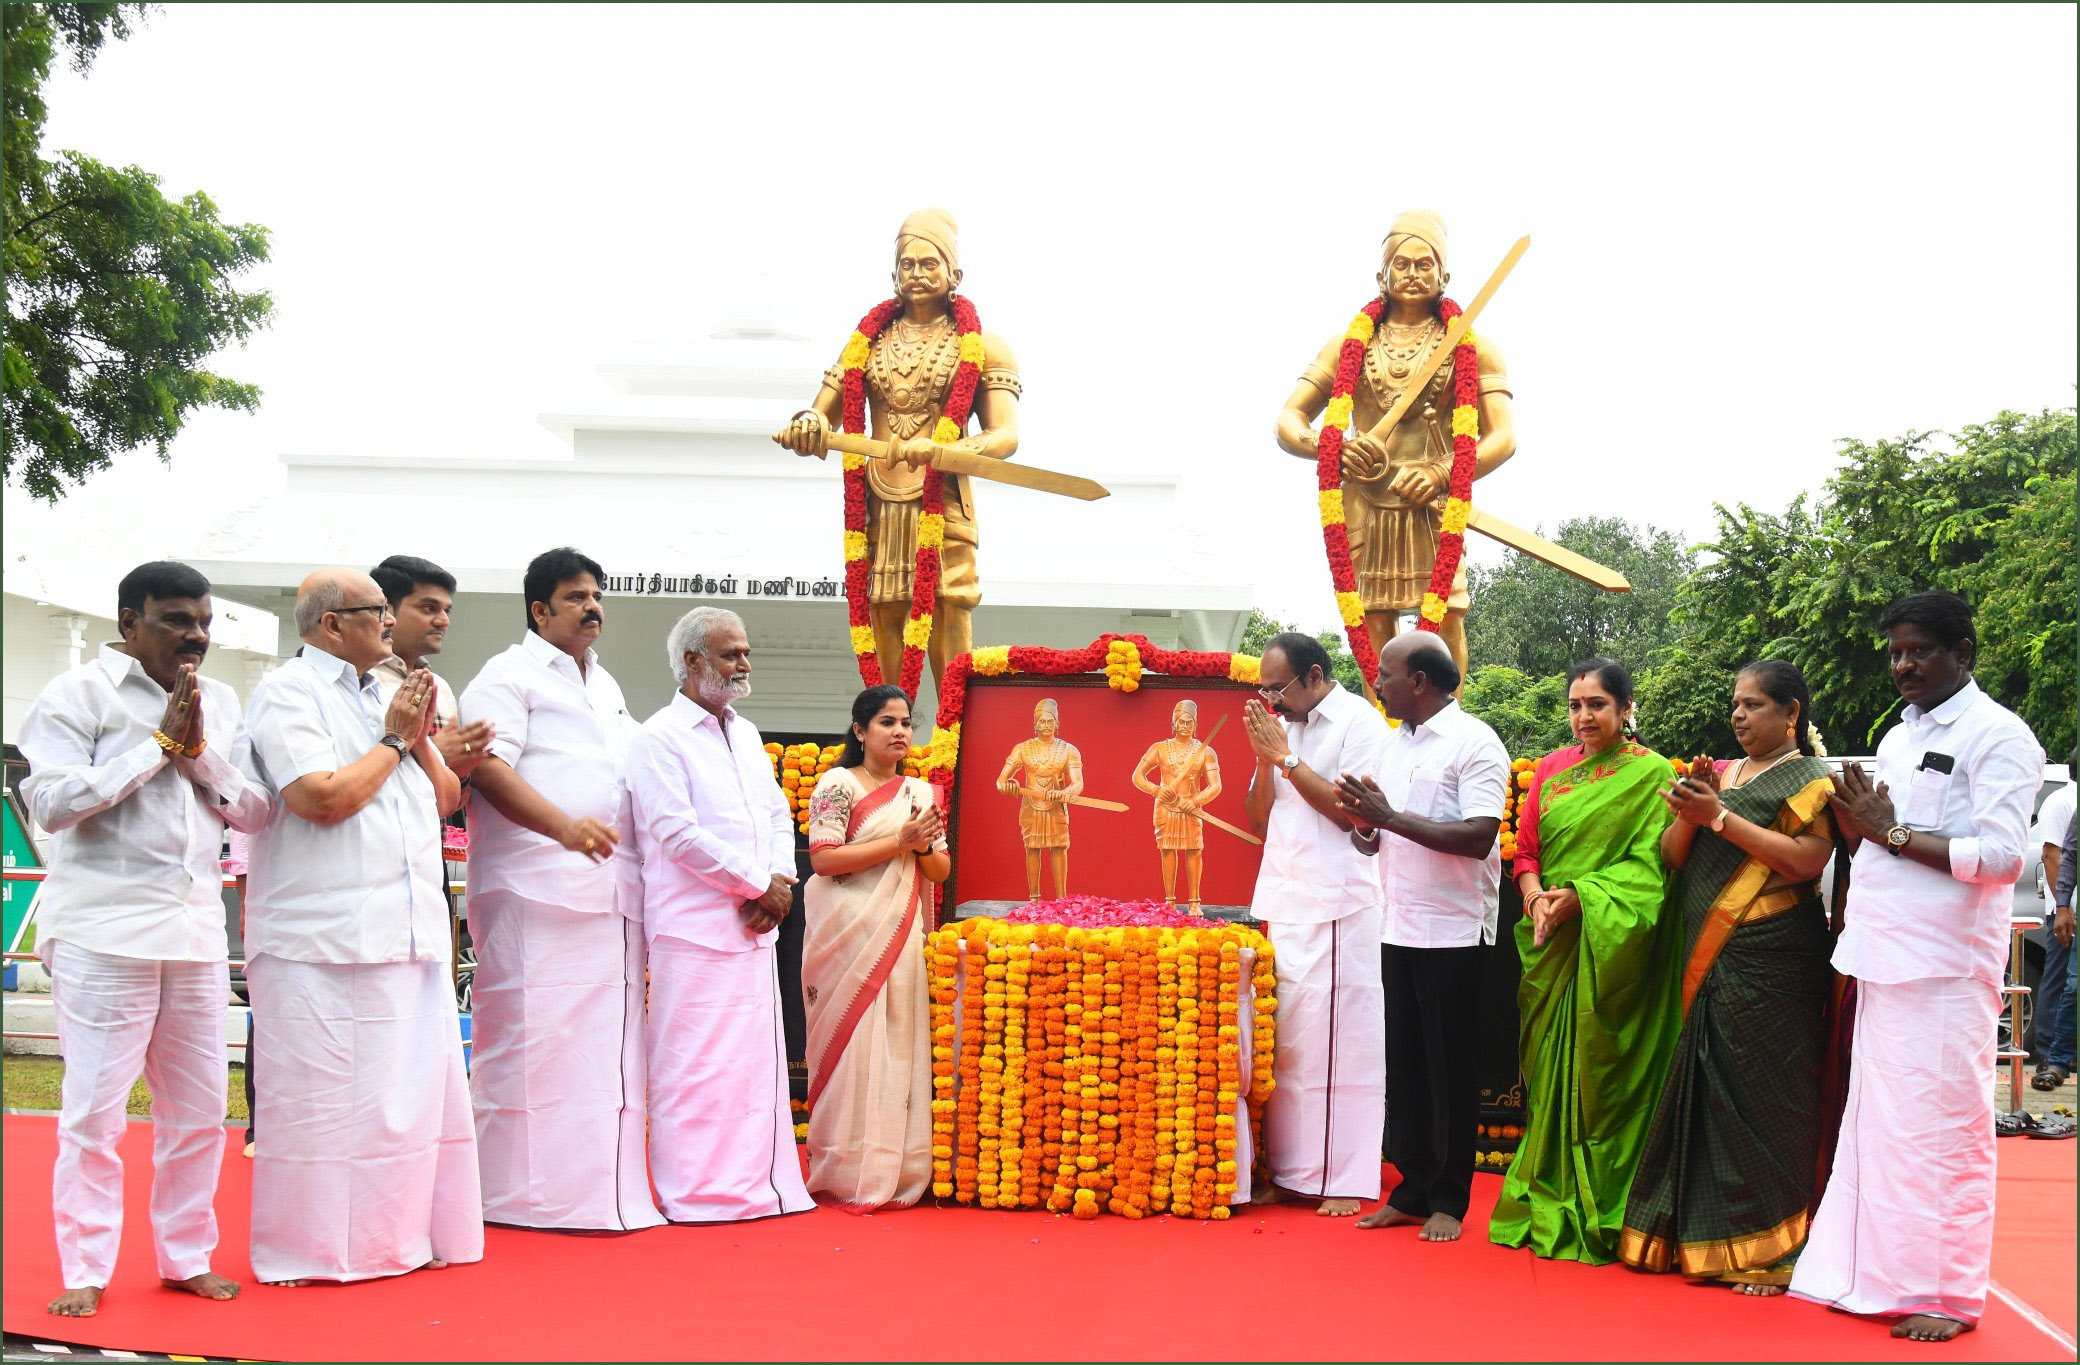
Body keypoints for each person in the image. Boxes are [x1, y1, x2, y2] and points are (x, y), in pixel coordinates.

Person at [1790, 591, 2044, 1342]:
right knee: (1882, 1129)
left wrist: (1890, 830)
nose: (1902, 665)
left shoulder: (2000, 735)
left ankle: (1948, 1289)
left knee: (1945, 1130)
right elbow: (1881, 839)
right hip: (1883, 954)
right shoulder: (1897, 738)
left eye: (1918, 651)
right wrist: (1859, 824)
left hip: (1943, 965)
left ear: (1962, 652)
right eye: (1895, 652)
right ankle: (1875, 1275)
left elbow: (2002, 857)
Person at [21, 561, 273, 1317]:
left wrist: (197, 754)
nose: (195, 635)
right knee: (95, 1113)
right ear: (130, 621)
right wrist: (155, 746)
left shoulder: (223, 700)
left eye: (203, 620)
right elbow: (53, 804)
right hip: (104, 929)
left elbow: (255, 810)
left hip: (194, 932)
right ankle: (86, 1266)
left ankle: (185, 1255)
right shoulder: (76, 694)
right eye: (175, 619)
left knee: (198, 1112)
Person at [235, 568, 481, 1284]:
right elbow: (318, 796)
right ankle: (314, 1253)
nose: (389, 624)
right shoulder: (288, 691)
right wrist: (396, 742)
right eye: (377, 611)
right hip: (324, 935)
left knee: (404, 1105)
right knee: (322, 1107)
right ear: (331, 623)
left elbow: (445, 799)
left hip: (407, 930)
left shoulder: (388, 693)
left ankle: (396, 1240)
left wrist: (417, 735)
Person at [458, 547, 662, 1233]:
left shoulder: (606, 686)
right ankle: (509, 1197)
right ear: (539, 609)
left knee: (597, 1055)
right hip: (532, 888)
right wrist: (562, 828)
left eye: (596, 593)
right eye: (576, 596)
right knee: (528, 1044)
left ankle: (586, 1196)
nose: (592, 605)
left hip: (607, 896)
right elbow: (484, 768)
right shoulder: (505, 677)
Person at [1618, 660, 1838, 1291]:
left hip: (1772, 955)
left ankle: (1774, 1248)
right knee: (1712, 1092)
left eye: (1755, 705)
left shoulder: (1810, 780)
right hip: (1707, 950)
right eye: (1736, 704)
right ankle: (1705, 1238)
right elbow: (1672, 857)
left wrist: (1719, 817)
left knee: (1767, 1097)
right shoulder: (1721, 773)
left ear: (1792, 712)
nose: (1739, 716)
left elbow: (1805, 864)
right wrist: (1691, 812)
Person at [773, 208, 1022, 688]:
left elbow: (1005, 435)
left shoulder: (985, 345)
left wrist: (948, 449)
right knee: (884, 616)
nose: (918, 274)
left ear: (955, 274)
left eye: (930, 264)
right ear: (893, 275)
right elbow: (817, 413)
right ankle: (885, 747)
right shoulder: (866, 344)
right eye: (907, 265)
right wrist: (806, 424)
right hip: (877, 502)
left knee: (947, 613)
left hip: (943, 501)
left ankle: (956, 745)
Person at [624, 607, 812, 1222]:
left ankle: (753, 1187)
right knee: (695, 1067)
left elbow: (779, 814)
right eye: (731, 654)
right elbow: (675, 832)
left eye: (746, 652)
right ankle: (696, 1194)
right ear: (692, 663)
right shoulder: (657, 737)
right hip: (694, 930)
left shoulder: (749, 733)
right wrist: (757, 883)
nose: (745, 664)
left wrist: (778, 881)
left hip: (756, 925)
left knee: (752, 1067)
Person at [1489, 657, 1679, 1263]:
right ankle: (1549, 1184)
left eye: (1596, 704)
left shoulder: (1651, 775)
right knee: (1549, 1072)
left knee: (1604, 1073)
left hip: (1609, 944)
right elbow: (1525, 853)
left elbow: (1653, 867)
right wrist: (1537, 898)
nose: (1584, 716)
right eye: (1575, 705)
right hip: (1550, 938)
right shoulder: (1549, 770)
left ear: (1626, 710)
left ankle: (1610, 1200)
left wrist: (1583, 899)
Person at [1273, 209, 1516, 678]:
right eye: (1400, 265)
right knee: (1371, 624)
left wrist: (1441, 471)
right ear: (1381, 275)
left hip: (1432, 501)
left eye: (1424, 264)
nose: (1412, 274)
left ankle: (1447, 729)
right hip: (1365, 497)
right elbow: (1288, 419)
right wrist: (1332, 447)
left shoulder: (1473, 346)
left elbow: (1503, 437)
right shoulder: (1348, 345)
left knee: (1446, 622)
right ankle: (1385, 734)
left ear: (1444, 274)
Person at [1335, 634, 1508, 1243]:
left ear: (1421, 682)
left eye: (1385, 673)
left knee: (1447, 1070)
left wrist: (1386, 819)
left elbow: (1479, 836)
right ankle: (1409, 1190)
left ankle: (1449, 1200)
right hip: (1397, 921)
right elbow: (1376, 837)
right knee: (1404, 1066)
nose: (1376, 683)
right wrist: (1364, 826)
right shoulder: (1391, 745)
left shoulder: (1475, 741)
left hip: (1453, 928)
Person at [1241, 632, 1390, 1216]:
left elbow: (1351, 812)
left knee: (1341, 1046)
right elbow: (1260, 819)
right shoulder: (1283, 732)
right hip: (1286, 898)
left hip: (1339, 902)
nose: (1269, 700)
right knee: (1292, 1047)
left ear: (1315, 675)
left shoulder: (1359, 723)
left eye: (1276, 688)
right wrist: (1264, 759)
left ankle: (1345, 1178)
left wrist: (1285, 758)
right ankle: (1296, 1172)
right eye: (1263, 690)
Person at [801, 684, 950, 1211]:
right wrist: (901, 841)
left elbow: (939, 870)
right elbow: (823, 860)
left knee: (898, 1039)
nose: (900, 732)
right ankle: (844, 1167)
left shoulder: (922, 794)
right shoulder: (838, 784)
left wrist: (923, 843)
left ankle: (900, 1164)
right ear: (861, 730)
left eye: (907, 722)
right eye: (887, 722)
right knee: (854, 1041)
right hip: (847, 934)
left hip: (900, 932)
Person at [368, 555, 492, 779]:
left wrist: (462, 771)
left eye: (447, 610)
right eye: (429, 608)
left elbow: (451, 796)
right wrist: (434, 754)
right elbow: (352, 774)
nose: (443, 621)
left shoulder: (439, 686)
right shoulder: (360, 679)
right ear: (385, 610)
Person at [1130, 699, 1223, 914]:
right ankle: (1170, 902)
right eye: (1180, 722)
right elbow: (1137, 776)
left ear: (1195, 725)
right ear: (1173, 724)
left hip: (1190, 809)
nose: (1184, 726)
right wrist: (1156, 790)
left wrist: (1196, 801)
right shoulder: (1159, 749)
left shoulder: (1206, 752)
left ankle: (1194, 903)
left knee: (1194, 851)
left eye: (1189, 722)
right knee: (1168, 851)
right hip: (1166, 808)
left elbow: (1215, 786)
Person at [995, 698, 1084, 901]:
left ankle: (1061, 898)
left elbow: (1078, 783)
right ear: (1035, 724)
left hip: (1056, 806)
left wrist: (1064, 793)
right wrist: (1010, 786)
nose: (1046, 725)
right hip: (1031, 807)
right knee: (1032, 848)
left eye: (1050, 721)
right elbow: (1000, 781)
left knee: (1059, 848)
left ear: (1057, 724)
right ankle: (1034, 898)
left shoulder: (1069, 750)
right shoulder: (1022, 749)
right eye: (1042, 721)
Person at [2028, 749, 2076, 1088]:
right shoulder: (2063, 801)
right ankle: (2051, 1054)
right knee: (2062, 981)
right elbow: (2054, 853)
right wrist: (2064, 905)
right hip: (2067, 907)